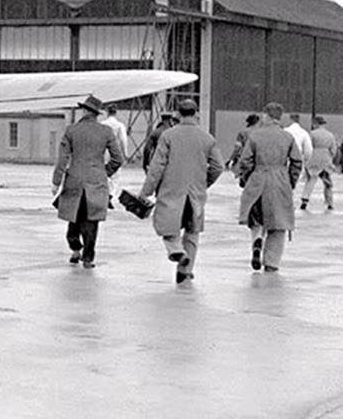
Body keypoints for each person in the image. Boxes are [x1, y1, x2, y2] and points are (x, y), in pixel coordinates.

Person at [139, 99, 224, 284]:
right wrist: (204, 183)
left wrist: (146, 191)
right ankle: (185, 271)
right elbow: (218, 166)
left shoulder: (168, 136)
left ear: (178, 114)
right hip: (195, 193)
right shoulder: (207, 138)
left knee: (167, 226)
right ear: (197, 114)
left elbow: (157, 167)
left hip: (171, 190)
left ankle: (176, 250)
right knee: (192, 232)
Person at [52, 94, 125, 268]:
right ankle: (88, 258)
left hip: (74, 180)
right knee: (92, 221)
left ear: (84, 111)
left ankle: (75, 248)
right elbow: (118, 159)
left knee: (74, 217)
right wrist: (103, 172)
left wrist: (56, 181)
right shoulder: (106, 132)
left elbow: (62, 158)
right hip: (97, 182)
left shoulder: (71, 130)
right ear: (97, 113)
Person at [237, 102, 303, 273]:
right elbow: (297, 161)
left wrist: (246, 179)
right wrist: (290, 181)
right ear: (279, 117)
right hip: (280, 179)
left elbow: (245, 161)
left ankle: (257, 240)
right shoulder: (287, 137)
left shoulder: (255, 135)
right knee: (278, 222)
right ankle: (272, 263)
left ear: (266, 115)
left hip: (259, 177)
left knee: (256, 217)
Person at [301, 116, 336, 211]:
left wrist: (306, 158)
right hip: (326, 159)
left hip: (314, 158)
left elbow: (308, 147)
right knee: (327, 182)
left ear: (315, 123)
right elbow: (333, 149)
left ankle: (305, 199)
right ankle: (330, 202)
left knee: (311, 180)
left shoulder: (312, 134)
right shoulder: (330, 135)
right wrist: (330, 158)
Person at [100, 105, 132, 206]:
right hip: (114, 152)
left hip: (103, 151)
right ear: (116, 112)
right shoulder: (119, 125)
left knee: (103, 173)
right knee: (115, 175)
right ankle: (110, 195)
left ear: (107, 112)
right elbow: (123, 140)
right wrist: (125, 153)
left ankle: (102, 193)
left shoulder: (102, 124)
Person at [284, 112, 313, 191]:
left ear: (290, 119)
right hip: (298, 159)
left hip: (284, 159)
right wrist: (306, 161)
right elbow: (308, 150)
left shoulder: (285, 131)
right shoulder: (304, 133)